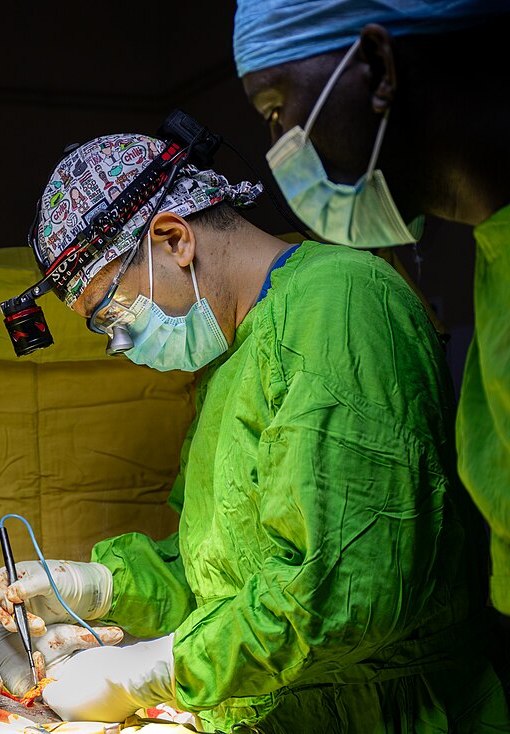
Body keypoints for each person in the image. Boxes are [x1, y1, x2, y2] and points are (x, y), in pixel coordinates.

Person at [0, 131, 510, 732]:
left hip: (390, 712)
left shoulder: (339, 308)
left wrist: (142, 673)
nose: (120, 344)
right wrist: (93, 586)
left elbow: (339, 590)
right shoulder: (233, 362)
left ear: (174, 238)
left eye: (113, 313)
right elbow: (219, 571)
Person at [233, 0, 510, 615]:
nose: (280, 150)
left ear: (380, 67)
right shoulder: (495, 255)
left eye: (276, 109)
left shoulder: (342, 300)